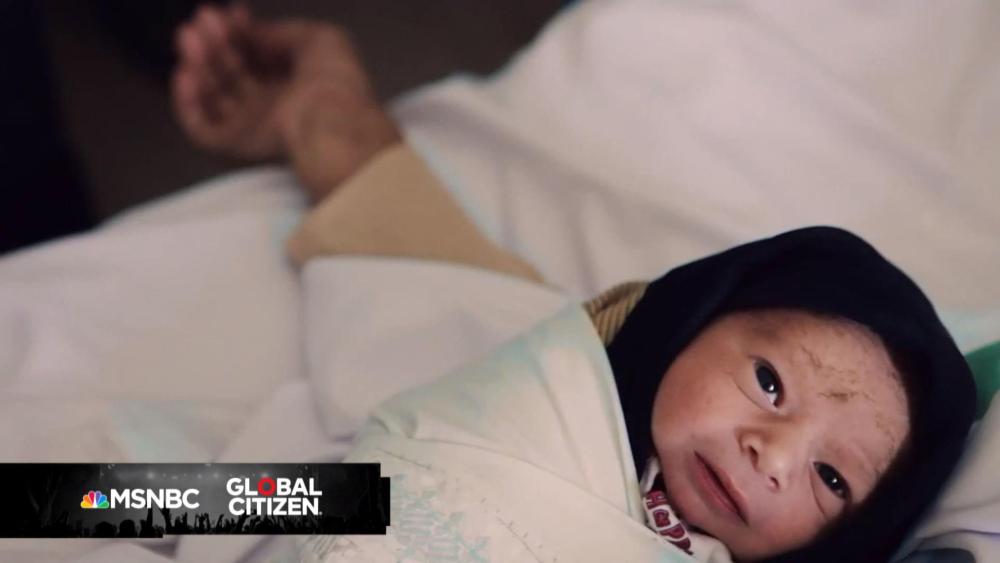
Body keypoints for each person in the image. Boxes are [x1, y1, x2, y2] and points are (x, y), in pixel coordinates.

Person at [171, 6, 976, 562]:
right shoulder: (538, 374)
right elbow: (420, 295)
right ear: (689, 318)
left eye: (832, 480)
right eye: (767, 381)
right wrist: (321, 114)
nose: (775, 456)